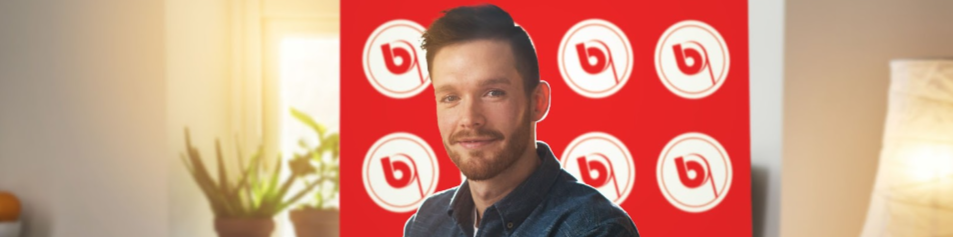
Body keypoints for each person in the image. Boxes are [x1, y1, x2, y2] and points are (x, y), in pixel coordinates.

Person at [403, 4, 639, 237]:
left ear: (538, 102)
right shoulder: (425, 222)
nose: (469, 119)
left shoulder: (595, 229)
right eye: (451, 97)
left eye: (493, 92)